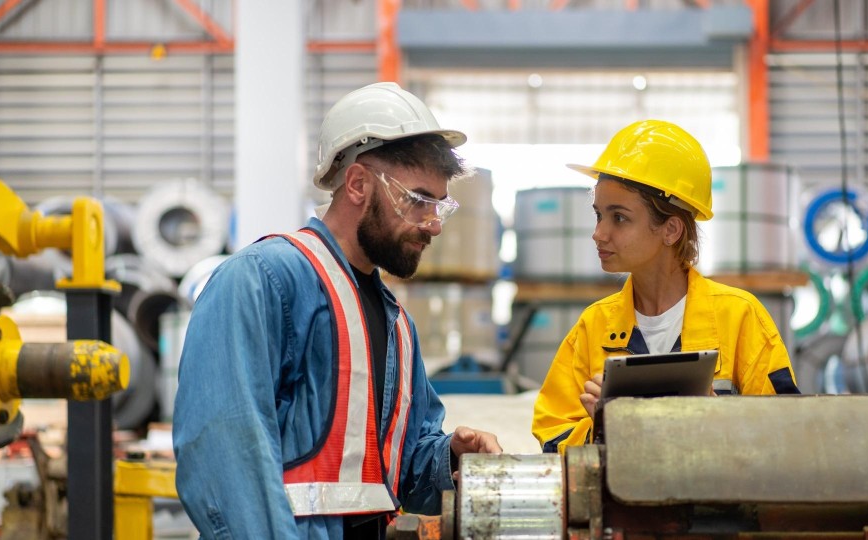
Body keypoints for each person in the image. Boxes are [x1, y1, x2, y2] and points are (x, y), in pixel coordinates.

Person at [173, 82, 502, 539]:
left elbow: (390, 471)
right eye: (418, 200)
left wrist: (446, 457)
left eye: (439, 206)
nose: (433, 224)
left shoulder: (397, 324)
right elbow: (224, 449)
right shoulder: (265, 281)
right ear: (359, 183)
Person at [531, 119, 800, 454]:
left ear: (671, 230)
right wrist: (600, 428)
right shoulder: (593, 328)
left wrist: (719, 420)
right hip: (620, 505)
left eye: (620, 218)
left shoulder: (740, 318)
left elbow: (788, 434)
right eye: (599, 215)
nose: (599, 233)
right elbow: (552, 436)